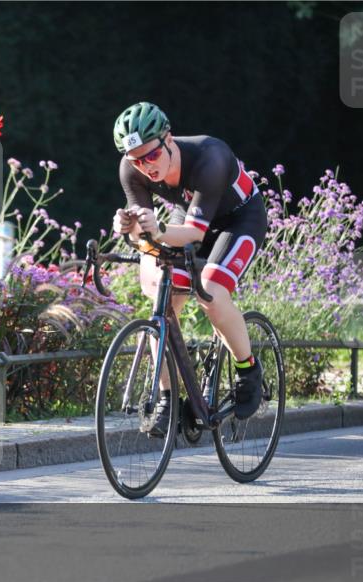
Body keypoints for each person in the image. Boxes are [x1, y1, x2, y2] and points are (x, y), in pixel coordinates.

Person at [110, 101, 267, 435]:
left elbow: (194, 234)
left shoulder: (210, 156)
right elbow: (145, 234)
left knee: (210, 289)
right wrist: (129, 228)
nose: (145, 166)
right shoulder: (131, 169)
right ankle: (168, 396)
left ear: (169, 139)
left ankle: (248, 370)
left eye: (151, 155)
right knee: (161, 297)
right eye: (136, 159)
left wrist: (157, 231)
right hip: (190, 215)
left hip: (238, 220)